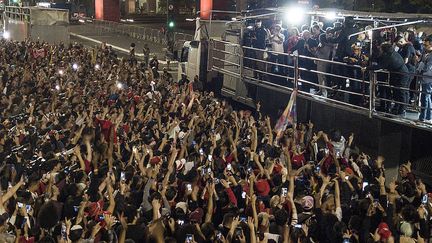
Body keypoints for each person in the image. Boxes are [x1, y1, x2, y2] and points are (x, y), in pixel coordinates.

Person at [315, 28, 336, 97]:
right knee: (320, 75)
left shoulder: (333, 41)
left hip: (328, 59)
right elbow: (319, 49)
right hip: (321, 59)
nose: (329, 35)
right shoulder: (322, 38)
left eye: (330, 33)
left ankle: (326, 90)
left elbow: (333, 51)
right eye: (328, 33)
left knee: (326, 76)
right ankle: (321, 89)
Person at [417, 35, 432, 122]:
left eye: (426, 45)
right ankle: (428, 116)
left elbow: (427, 67)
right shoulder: (425, 53)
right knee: (427, 97)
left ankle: (422, 117)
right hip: (425, 78)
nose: (424, 47)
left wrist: (421, 70)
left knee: (425, 97)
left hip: (428, 78)